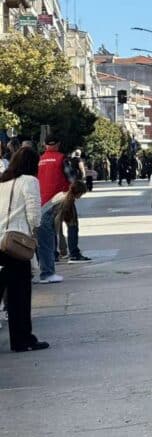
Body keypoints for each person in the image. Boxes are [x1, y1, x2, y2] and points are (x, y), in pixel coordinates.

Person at [0, 147, 46, 352]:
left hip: (0, 241)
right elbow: (34, 215)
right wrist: (33, 232)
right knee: (20, 294)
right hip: (16, 243)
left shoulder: (2, 181)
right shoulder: (29, 181)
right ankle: (22, 339)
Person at [35, 136, 69, 284]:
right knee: (49, 237)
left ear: (44, 145)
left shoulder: (39, 159)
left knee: (42, 238)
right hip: (58, 199)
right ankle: (47, 272)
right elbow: (72, 177)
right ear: (58, 144)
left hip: (40, 202)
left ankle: (42, 270)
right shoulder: (61, 158)